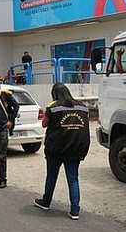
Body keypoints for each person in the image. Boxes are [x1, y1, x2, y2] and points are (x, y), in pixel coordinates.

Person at [34, 83, 90, 220]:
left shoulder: (53, 107)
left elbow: (44, 124)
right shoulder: (82, 107)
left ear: (54, 94)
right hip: (75, 148)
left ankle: (46, 202)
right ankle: (75, 210)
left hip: (56, 149)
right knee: (73, 179)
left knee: (52, 176)